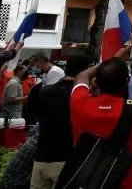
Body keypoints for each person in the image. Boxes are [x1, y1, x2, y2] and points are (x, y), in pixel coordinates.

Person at [70, 46, 132, 189]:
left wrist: (113, 60)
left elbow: (81, 76)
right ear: (126, 83)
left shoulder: (79, 103)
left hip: (87, 181)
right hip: (126, 183)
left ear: (97, 82)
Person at [30, 55, 91, 189]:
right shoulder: (82, 98)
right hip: (66, 162)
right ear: (87, 71)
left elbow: (35, 117)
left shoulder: (43, 91)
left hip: (41, 159)